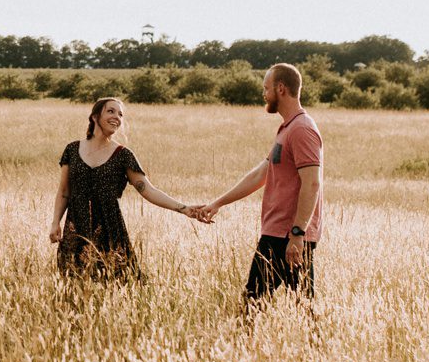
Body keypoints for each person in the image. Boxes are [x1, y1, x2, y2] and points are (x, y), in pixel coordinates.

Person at [192, 63, 323, 313]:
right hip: (275, 233)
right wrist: (217, 203)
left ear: (281, 89)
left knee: (302, 307)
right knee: (254, 302)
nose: (264, 94)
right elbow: (261, 174)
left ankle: (314, 350)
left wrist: (297, 234)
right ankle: (250, 350)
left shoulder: (303, 129)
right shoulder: (286, 128)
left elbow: (312, 182)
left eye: (266, 88)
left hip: (290, 236)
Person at [50, 96, 210, 279]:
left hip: (110, 229)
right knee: (74, 281)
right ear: (94, 117)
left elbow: (148, 190)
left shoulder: (123, 155)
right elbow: (64, 192)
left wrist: (184, 209)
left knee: (116, 281)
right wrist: (55, 222)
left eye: (120, 114)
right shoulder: (72, 150)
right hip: (75, 228)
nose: (116, 117)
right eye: (110, 111)